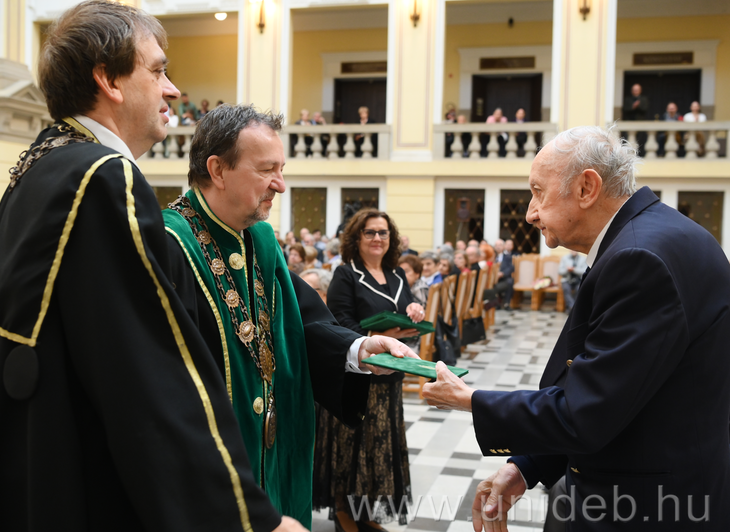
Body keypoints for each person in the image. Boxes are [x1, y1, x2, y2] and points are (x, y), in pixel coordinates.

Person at [0, 3, 308, 531]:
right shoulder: (104, 174)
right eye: (158, 71)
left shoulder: (44, 161)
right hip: (77, 482)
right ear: (108, 80)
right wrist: (249, 517)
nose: (173, 90)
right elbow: (146, 377)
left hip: (25, 468)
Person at [422, 125, 730, 531]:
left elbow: (586, 412)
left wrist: (470, 399)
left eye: (538, 192)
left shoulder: (639, 258)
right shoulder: (647, 237)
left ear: (586, 188)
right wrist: (527, 466)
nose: (530, 213)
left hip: (645, 508)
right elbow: (615, 387)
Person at [162, 104, 417, 529]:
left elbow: (301, 321)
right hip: (211, 481)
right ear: (218, 170)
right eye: (267, 170)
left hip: (272, 458)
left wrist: (358, 348)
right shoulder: (170, 244)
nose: (280, 184)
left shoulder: (259, 239)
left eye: (281, 169)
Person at [315, 208, 423, 531]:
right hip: (358, 376)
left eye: (383, 232)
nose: (378, 238)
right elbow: (338, 325)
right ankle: (343, 512)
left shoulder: (397, 275)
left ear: (391, 238)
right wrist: (378, 335)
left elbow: (401, 314)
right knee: (351, 446)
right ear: (356, 237)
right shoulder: (346, 274)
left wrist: (414, 310)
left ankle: (363, 513)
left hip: (390, 374)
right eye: (370, 232)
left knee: (378, 447)